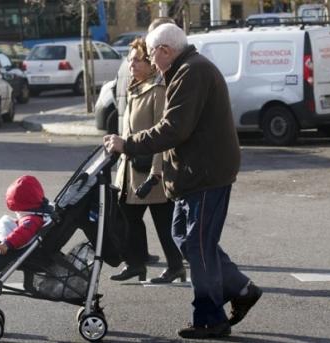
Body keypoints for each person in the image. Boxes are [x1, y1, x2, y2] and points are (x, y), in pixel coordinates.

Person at [103, 23, 262, 339]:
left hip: (205, 175)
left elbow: (173, 129)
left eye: (151, 54)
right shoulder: (186, 69)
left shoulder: (192, 72)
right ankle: (241, 289)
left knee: (198, 245)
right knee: (184, 238)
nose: (149, 60)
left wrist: (128, 143)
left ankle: (210, 318)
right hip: (195, 174)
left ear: (164, 51)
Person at [110, 38, 185, 284]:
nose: (131, 64)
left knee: (163, 222)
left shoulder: (158, 90)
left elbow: (161, 134)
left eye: (136, 60)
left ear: (150, 64)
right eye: (129, 59)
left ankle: (175, 266)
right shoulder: (136, 87)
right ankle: (135, 264)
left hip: (151, 172)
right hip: (132, 169)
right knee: (128, 216)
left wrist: (156, 173)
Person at [0, 175, 46, 255]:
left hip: (14, 242)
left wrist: (8, 243)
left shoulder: (31, 219)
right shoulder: (38, 209)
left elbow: (23, 232)